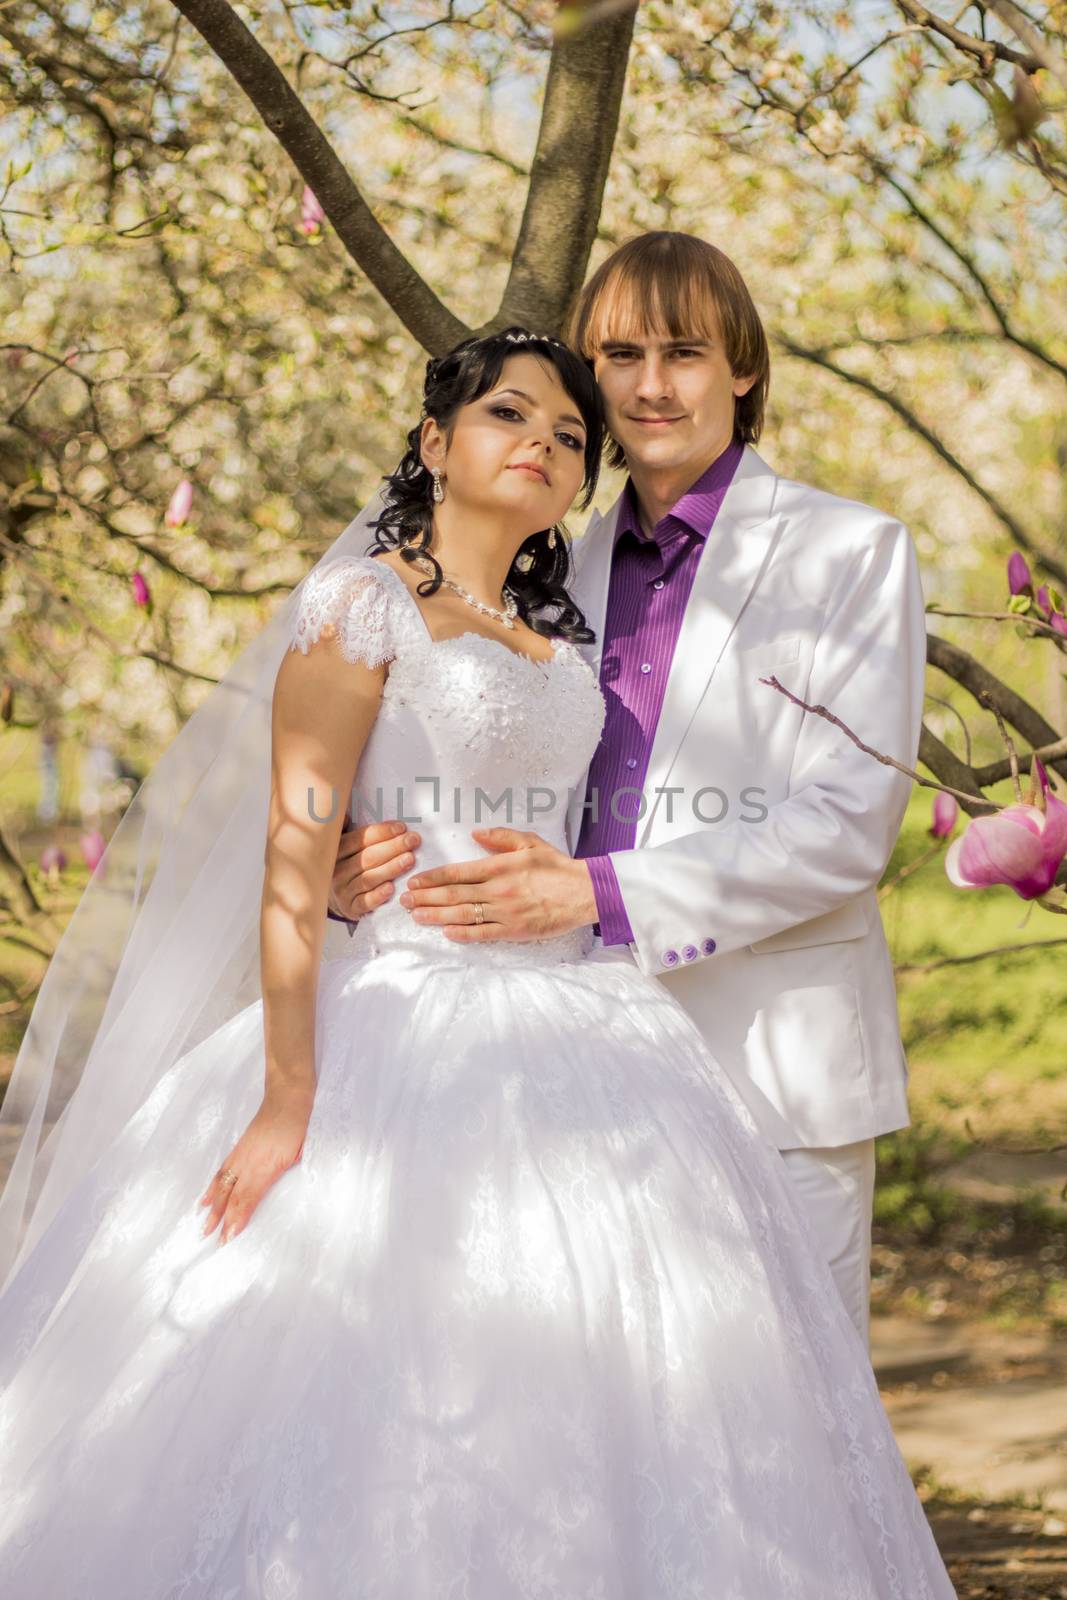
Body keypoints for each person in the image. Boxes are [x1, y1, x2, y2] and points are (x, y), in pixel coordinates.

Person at [0, 328, 954, 1596]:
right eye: (511, 417)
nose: (546, 446)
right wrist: (290, 1095)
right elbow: (294, 850)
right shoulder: (359, 604)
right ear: (435, 443)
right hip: (398, 1018)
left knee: (619, 1371)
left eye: (568, 435)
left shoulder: (554, 635)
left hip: (587, 1027)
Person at [327, 233, 926, 1343]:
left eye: (685, 352)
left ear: (740, 369)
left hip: (773, 1072)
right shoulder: (546, 572)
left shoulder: (850, 555)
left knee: (790, 1422)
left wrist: (601, 896)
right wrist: (355, 859)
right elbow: (468, 757)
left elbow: (848, 825)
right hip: (571, 1081)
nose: (651, 385)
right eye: (620, 354)